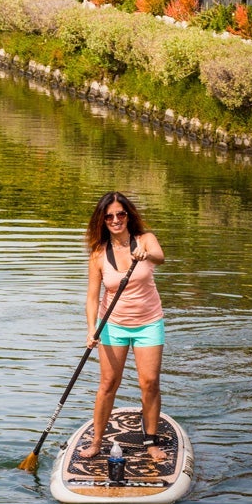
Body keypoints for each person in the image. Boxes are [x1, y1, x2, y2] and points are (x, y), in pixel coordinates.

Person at [79, 190, 168, 461]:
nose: (116, 219)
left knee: (149, 382)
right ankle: (96, 442)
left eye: (120, 214)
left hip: (148, 323)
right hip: (113, 325)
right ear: (102, 221)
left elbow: (160, 257)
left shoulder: (145, 240)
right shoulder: (98, 254)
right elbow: (92, 297)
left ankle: (151, 442)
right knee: (108, 383)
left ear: (128, 216)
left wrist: (146, 254)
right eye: (109, 216)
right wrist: (91, 329)